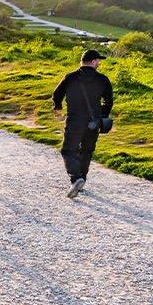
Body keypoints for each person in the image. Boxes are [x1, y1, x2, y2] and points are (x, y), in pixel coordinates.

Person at [52, 49, 114, 198]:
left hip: (74, 120)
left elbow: (57, 94)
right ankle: (81, 180)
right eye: (98, 61)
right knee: (86, 151)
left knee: (68, 150)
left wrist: (58, 106)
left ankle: (76, 178)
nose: (99, 63)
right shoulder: (102, 79)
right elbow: (109, 101)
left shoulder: (70, 77)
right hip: (94, 122)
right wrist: (102, 116)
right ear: (93, 62)